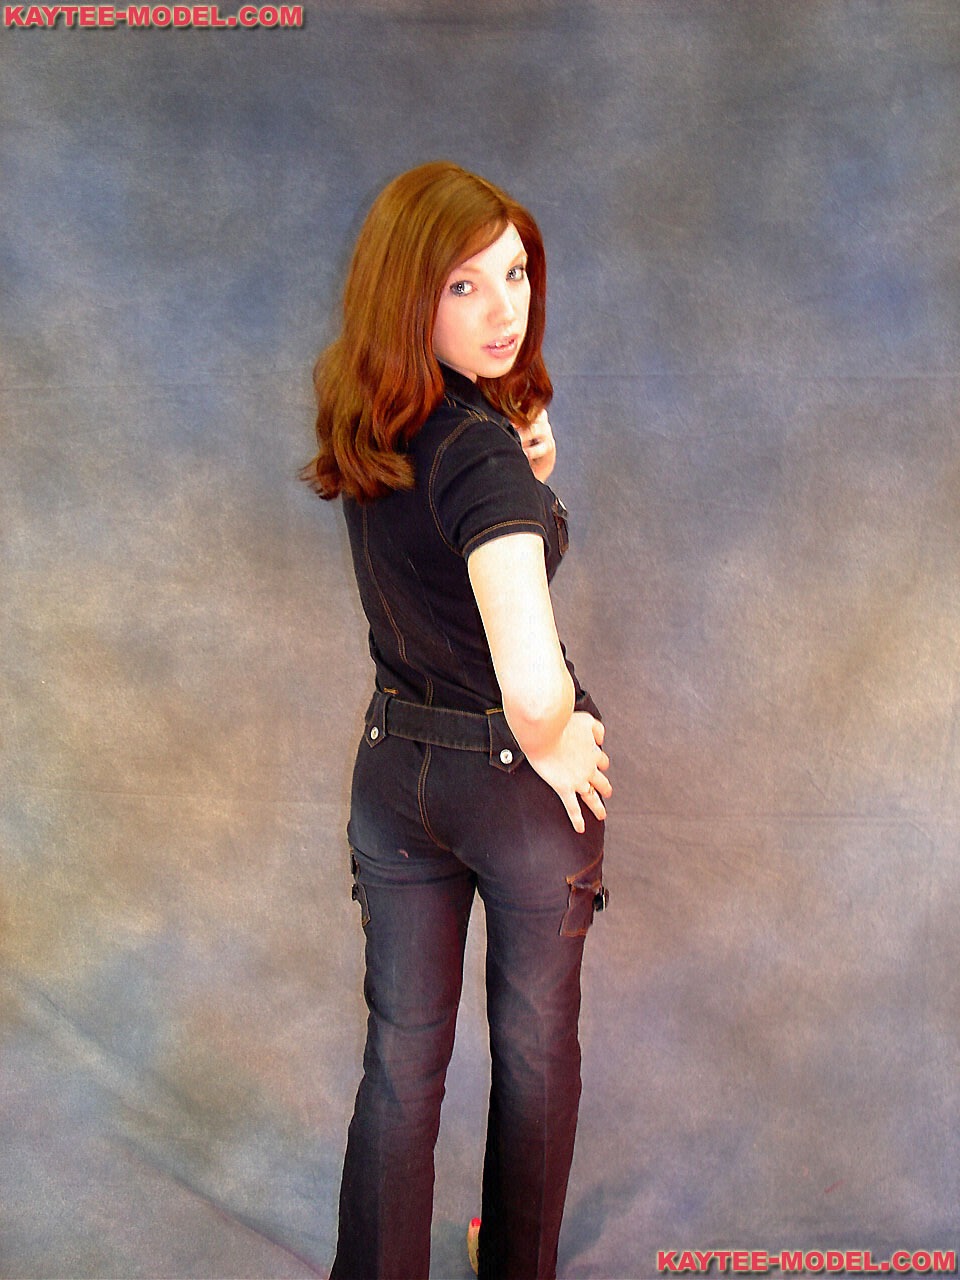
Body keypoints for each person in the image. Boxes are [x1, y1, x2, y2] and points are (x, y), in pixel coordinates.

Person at [301, 161, 612, 1280]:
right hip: (512, 788)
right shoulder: (477, 448)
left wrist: (532, 476)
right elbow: (530, 682)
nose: (504, 308)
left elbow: (441, 551)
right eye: (464, 285)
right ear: (409, 293)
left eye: (515, 274)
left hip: (395, 773)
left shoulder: (374, 409)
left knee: (401, 1058)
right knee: (532, 1056)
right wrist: (555, 733)